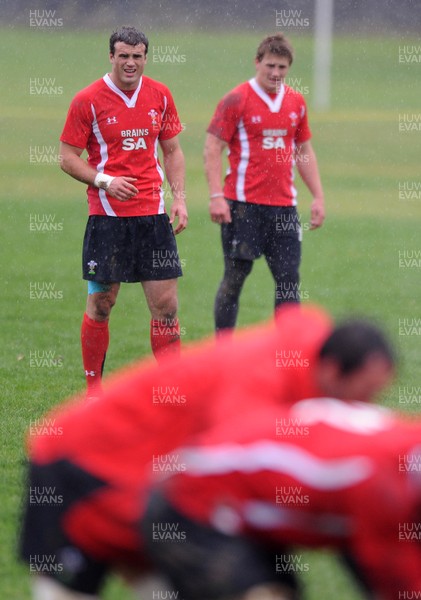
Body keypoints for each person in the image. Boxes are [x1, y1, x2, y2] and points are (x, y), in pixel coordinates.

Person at [19, 305, 395, 599]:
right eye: (362, 396)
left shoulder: (305, 370)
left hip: (154, 491)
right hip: (79, 466)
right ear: (331, 372)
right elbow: (231, 473)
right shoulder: (261, 383)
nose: (362, 409)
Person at [141, 396, 421, 600]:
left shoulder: (407, 446)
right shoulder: (377, 486)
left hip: (239, 497)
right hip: (189, 504)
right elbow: (396, 578)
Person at [59, 26, 188, 396]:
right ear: (111, 57)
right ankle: (93, 395)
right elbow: (67, 157)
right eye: (123, 55)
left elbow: (173, 151)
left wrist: (178, 198)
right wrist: (104, 181)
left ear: (145, 57)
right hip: (107, 220)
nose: (130, 62)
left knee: (166, 307)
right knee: (101, 303)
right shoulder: (88, 100)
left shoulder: (160, 95)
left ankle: (171, 393)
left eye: (137, 56)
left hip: (153, 219)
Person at [205, 33, 325, 334]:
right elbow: (212, 147)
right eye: (270, 65)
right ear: (257, 62)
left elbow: (303, 150)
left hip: (284, 210)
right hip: (243, 208)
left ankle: (288, 356)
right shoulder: (236, 99)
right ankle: (224, 353)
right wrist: (216, 196)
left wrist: (318, 197)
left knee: (288, 281)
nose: (275, 73)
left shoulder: (296, 102)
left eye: (282, 67)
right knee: (234, 279)